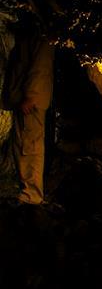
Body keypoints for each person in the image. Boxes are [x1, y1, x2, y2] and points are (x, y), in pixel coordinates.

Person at [1, 24, 55, 205]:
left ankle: (32, 195)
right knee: (21, 145)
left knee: (30, 146)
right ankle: (27, 191)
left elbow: (41, 66)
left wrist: (31, 96)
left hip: (30, 101)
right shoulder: (33, 33)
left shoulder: (43, 34)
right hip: (22, 99)